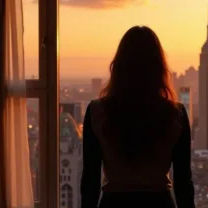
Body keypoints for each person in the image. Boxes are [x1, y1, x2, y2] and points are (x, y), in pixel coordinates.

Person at [80, 26, 195, 208]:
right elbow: (183, 184)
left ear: (118, 66)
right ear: (158, 67)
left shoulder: (96, 112)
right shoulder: (176, 114)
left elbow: (90, 182)